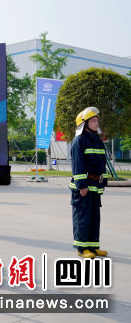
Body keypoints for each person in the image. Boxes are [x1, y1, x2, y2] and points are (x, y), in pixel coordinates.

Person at [69, 107, 108, 259]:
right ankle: (81, 248)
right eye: (93, 120)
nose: (96, 122)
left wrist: (103, 182)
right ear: (84, 124)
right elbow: (77, 165)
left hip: (95, 187)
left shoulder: (98, 141)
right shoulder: (79, 141)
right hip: (83, 188)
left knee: (94, 218)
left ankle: (93, 246)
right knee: (83, 218)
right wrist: (82, 186)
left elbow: (102, 164)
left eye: (97, 120)